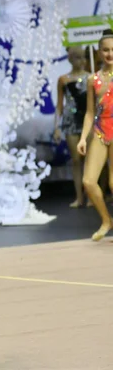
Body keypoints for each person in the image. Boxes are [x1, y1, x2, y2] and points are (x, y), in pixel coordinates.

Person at [77, 29, 113, 241]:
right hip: (100, 132)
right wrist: (83, 137)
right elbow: (90, 112)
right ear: (99, 52)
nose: (110, 54)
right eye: (106, 50)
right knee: (89, 181)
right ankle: (107, 221)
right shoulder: (93, 80)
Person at [54, 46, 90, 207]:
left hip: (87, 119)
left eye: (83, 57)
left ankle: (92, 195)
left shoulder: (91, 78)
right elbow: (60, 105)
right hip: (70, 120)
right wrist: (57, 127)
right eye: (77, 57)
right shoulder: (63, 80)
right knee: (76, 160)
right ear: (70, 59)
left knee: (90, 159)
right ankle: (79, 196)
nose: (81, 61)